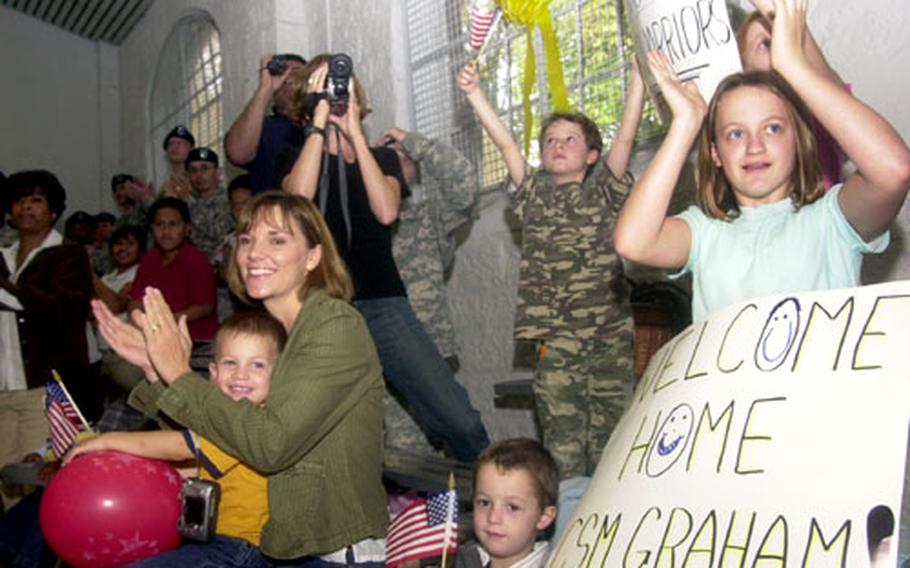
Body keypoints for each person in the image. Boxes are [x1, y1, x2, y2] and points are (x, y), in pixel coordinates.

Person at [94, 192, 388, 565]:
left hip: (333, 553)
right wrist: (156, 372)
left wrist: (178, 373)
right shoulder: (274, 333)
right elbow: (222, 430)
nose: (253, 253)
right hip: (280, 547)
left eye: (276, 240)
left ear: (313, 257)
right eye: (246, 239)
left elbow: (269, 444)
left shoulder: (334, 325)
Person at [613, 0, 910, 323]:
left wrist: (794, 66)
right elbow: (633, 242)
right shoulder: (704, 233)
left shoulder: (831, 221)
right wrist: (685, 124)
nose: (755, 146)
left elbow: (893, 172)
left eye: (772, 128)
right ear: (716, 154)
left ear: (798, 142)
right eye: (736, 134)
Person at [280, 54, 489, 462]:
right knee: (327, 429)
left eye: (344, 85)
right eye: (327, 86)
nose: (339, 93)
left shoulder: (384, 158)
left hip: (383, 302)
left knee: (458, 418)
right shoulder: (293, 154)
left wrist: (354, 131)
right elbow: (297, 201)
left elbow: (387, 211)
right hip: (320, 306)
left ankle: (487, 498)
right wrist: (318, 123)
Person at [457, 57, 644, 478]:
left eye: (570, 139)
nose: (557, 146)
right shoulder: (533, 194)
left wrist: (637, 82)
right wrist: (474, 95)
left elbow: (628, 137)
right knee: (563, 445)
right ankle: (569, 529)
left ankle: (610, 527)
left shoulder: (604, 189)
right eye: (549, 141)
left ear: (592, 154)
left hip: (609, 338)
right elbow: (506, 145)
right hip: (557, 343)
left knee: (612, 443)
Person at [66, 310, 288, 568]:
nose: (241, 374)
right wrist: (152, 369)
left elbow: (180, 444)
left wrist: (107, 440)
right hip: (211, 542)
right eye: (230, 362)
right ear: (213, 372)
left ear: (279, 375)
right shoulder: (222, 419)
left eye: (257, 364)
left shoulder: (255, 422)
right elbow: (191, 449)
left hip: (241, 548)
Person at [0, 170, 95, 495]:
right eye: (19, 200)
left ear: (53, 210)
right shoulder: (4, 256)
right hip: (4, 386)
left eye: (36, 200)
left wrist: (9, 290)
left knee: (44, 482)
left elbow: (63, 311)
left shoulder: (69, 254)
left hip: (47, 388)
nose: (27, 207)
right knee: (7, 483)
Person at [736, 0, 846, 189]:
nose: (780, 46)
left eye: (783, 38)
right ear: (745, 68)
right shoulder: (737, 126)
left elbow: (828, 86)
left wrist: (783, 16)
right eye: (766, 43)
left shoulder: (816, 106)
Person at [455, 439, 558, 568]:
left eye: (512, 507)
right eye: (484, 503)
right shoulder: (458, 558)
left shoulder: (556, 563)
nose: (493, 518)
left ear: (544, 517)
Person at [129, 197, 218, 344]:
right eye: (159, 225)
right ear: (151, 228)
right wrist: (138, 320)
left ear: (187, 228)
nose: (166, 231)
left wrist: (164, 323)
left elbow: (204, 307)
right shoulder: (149, 259)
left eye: (173, 225)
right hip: (154, 336)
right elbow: (136, 300)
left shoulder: (196, 260)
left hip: (194, 340)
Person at [225, 53, 307, 193]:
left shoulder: (325, 125)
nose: (289, 78)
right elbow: (238, 153)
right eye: (284, 72)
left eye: (297, 73)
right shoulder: (264, 128)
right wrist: (265, 89)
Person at [184, 147, 235, 264]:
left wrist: (188, 201)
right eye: (193, 170)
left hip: (220, 268)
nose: (199, 175)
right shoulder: (191, 201)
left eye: (205, 168)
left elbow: (220, 233)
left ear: (218, 172)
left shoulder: (229, 199)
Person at [160, 125, 196, 198]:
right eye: (170, 144)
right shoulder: (167, 183)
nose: (174, 147)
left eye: (179, 143)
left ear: (191, 149)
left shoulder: (197, 178)